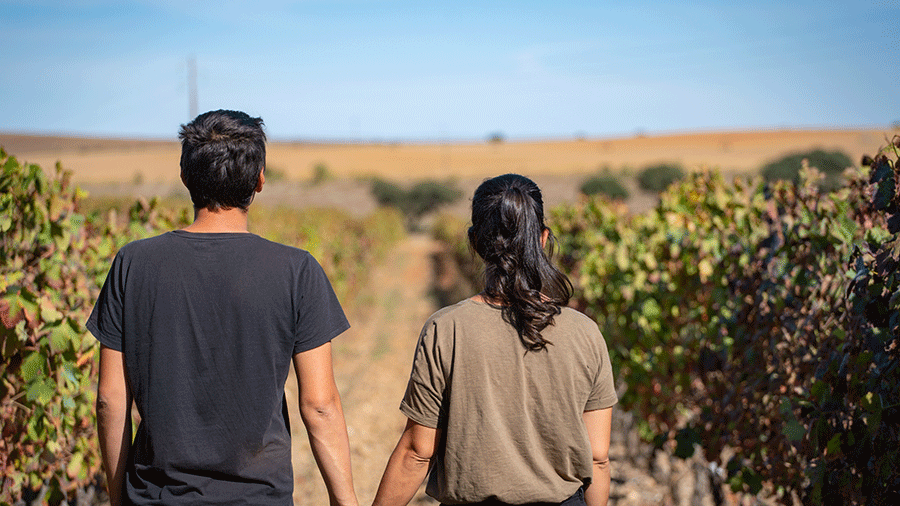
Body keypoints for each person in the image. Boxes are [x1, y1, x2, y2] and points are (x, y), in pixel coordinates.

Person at [89, 110, 358, 506]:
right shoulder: (296, 271)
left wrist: (118, 496)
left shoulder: (133, 263)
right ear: (260, 178)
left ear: (185, 176)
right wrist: (345, 499)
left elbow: (110, 399)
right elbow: (319, 405)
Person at [372, 174, 617, 506]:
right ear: (543, 239)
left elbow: (417, 451)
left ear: (474, 243)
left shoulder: (446, 329)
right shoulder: (585, 332)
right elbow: (598, 457)